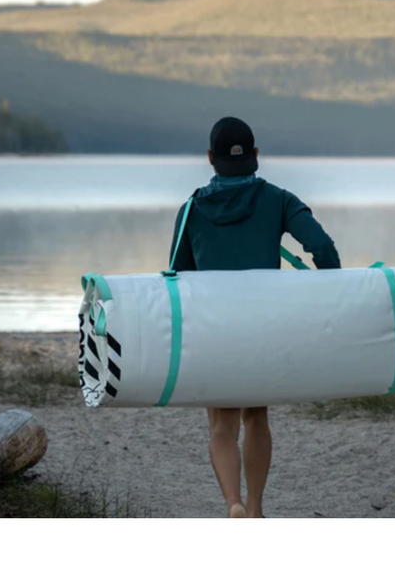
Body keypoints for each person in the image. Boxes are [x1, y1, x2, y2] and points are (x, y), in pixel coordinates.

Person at [169, 116, 341, 518]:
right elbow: (321, 246)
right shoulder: (279, 199)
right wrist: (334, 289)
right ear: (256, 156)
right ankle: (258, 508)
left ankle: (233, 504)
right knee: (256, 416)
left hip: (215, 329)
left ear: (210, 158)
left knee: (220, 425)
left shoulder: (191, 207)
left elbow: (178, 277)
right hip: (263, 329)